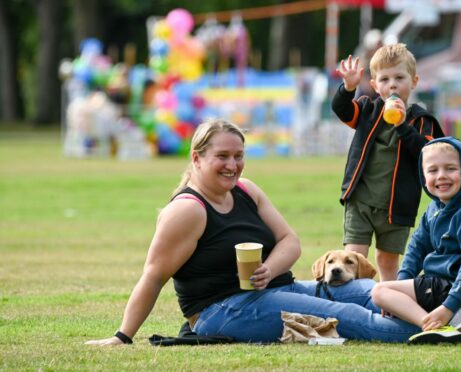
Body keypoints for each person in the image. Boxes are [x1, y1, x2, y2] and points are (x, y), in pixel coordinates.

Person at [85, 119, 427, 346]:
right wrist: (122, 336)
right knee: (350, 316)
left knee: (366, 289)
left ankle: (449, 309)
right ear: (197, 158)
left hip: (278, 287)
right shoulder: (187, 210)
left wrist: (269, 269)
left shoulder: (246, 190)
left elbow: (290, 242)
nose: (233, 165)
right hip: (224, 310)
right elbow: (153, 275)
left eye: (238, 155)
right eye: (222, 156)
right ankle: (439, 332)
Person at [371, 137, 461, 343]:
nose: (442, 176)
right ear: (423, 176)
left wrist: (448, 306)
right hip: (442, 287)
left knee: (379, 290)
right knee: (390, 289)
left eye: (451, 168)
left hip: (460, 289)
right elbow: (415, 251)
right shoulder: (433, 210)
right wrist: (401, 287)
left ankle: (438, 325)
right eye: (433, 170)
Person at [332, 43, 444, 282]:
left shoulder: (421, 120)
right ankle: (353, 306)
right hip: (361, 200)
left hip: (396, 206)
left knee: (387, 260)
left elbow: (427, 153)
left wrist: (402, 125)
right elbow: (341, 109)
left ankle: (388, 307)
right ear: (374, 85)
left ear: (414, 81)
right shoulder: (367, 110)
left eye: (399, 77)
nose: (392, 84)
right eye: (384, 79)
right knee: (354, 257)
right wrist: (348, 88)